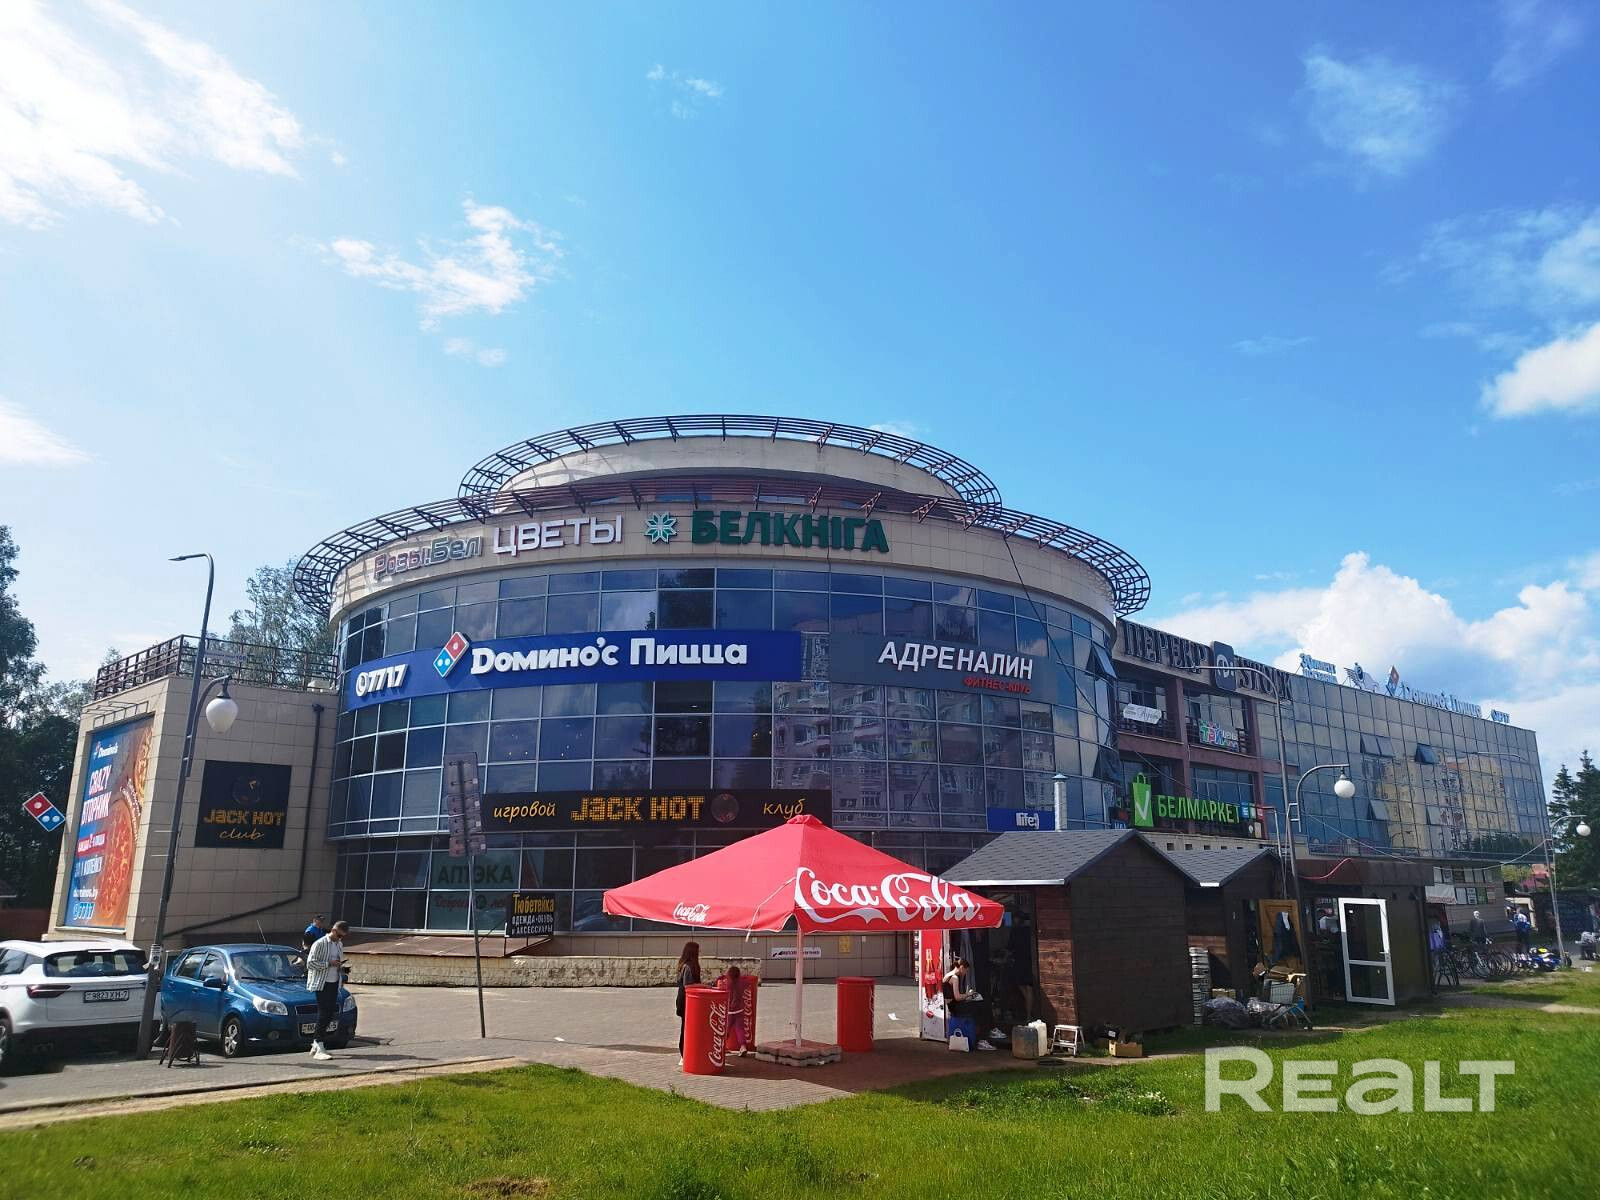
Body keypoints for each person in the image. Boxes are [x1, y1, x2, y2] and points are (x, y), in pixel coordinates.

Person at [305, 920, 349, 1061]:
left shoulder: (339, 944)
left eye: (342, 937)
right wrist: (328, 963)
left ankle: (316, 1043)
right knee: (324, 1013)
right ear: (334, 930)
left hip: (334, 982)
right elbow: (310, 964)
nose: (340, 939)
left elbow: (337, 962)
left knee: (329, 1014)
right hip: (321, 983)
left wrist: (341, 967)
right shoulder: (320, 943)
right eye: (339, 935)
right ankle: (319, 1044)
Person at [942, 957, 998, 1051]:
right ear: (962, 967)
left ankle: (986, 1032)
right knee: (984, 1007)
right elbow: (957, 997)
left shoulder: (946, 976)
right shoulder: (955, 978)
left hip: (953, 1007)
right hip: (956, 1008)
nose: (965, 973)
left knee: (980, 1005)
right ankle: (984, 1038)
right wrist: (968, 994)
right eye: (965, 971)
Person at [674, 941, 701, 1066]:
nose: (699, 953)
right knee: (686, 1027)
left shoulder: (684, 965)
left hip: (683, 999)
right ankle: (684, 1054)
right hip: (686, 1000)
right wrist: (703, 986)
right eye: (698, 951)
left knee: (687, 1027)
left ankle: (686, 1053)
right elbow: (688, 986)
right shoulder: (688, 967)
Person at [724, 965, 749, 1057]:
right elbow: (748, 982)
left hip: (729, 1011)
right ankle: (743, 1046)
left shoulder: (727, 984)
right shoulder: (742, 983)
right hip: (739, 1010)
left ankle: (723, 1046)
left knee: (726, 1029)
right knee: (740, 1029)